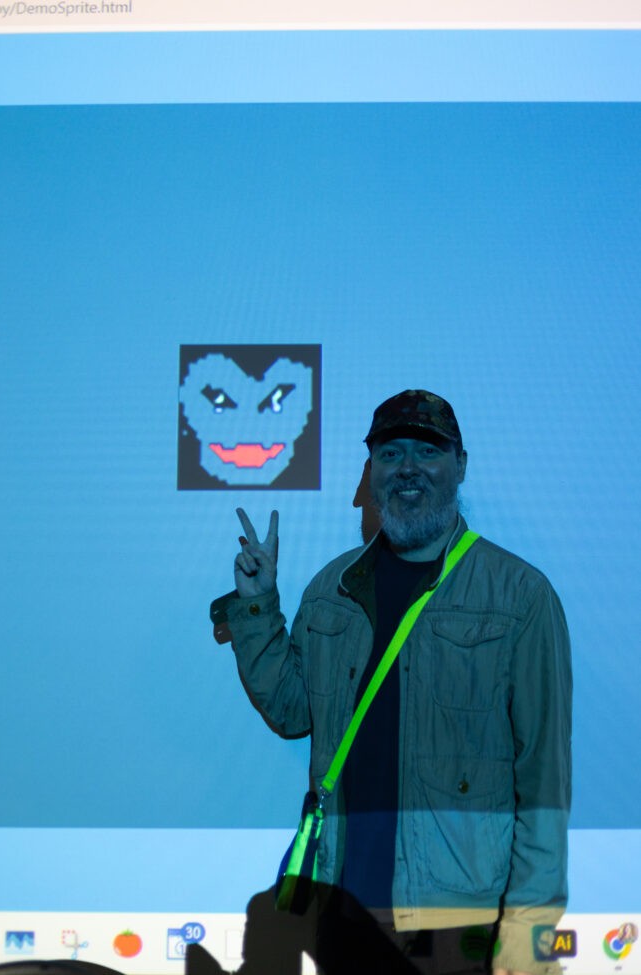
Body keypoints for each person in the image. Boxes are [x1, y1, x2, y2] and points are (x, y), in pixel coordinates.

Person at [211, 389, 572, 975]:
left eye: (427, 451)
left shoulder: (520, 597)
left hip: (460, 925)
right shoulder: (332, 590)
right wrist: (257, 606)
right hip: (344, 914)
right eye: (390, 452)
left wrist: (530, 931)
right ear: (372, 471)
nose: (407, 467)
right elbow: (292, 712)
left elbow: (544, 782)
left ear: (460, 465)